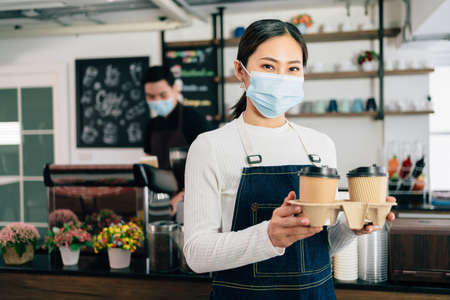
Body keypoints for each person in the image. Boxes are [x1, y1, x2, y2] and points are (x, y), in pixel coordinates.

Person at [183, 19, 396, 299]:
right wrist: (268, 237)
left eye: (293, 68)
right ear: (241, 71)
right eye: (269, 67)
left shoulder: (320, 146)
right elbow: (196, 254)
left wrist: (351, 228)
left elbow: (321, 245)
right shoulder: (210, 147)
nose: (282, 77)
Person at [142, 66, 211, 218]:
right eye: (151, 97)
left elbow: (209, 165)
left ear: (175, 89)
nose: (157, 101)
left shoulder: (194, 119)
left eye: (162, 94)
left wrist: (181, 196)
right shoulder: (150, 125)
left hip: (193, 198)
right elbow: (150, 165)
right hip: (160, 200)